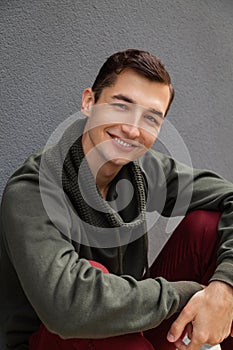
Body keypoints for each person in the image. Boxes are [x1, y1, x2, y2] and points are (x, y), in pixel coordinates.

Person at [0, 49, 233, 350]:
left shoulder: (142, 169)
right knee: (95, 281)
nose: (133, 129)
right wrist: (191, 294)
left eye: (151, 118)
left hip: (131, 330)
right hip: (54, 339)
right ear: (89, 102)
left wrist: (224, 288)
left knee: (207, 227)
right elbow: (69, 307)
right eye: (121, 106)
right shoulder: (32, 189)